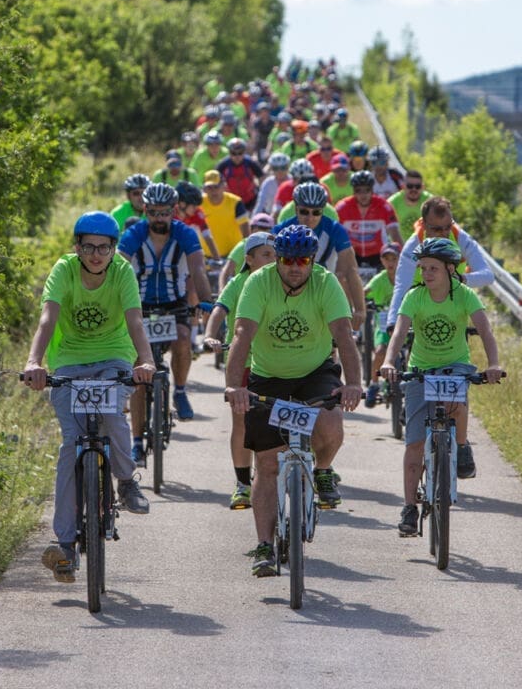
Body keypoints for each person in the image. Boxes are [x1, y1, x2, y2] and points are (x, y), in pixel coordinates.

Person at [22, 211, 156, 582]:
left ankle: (126, 481)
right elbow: (48, 318)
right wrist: (35, 361)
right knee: (71, 446)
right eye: (89, 247)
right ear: (77, 247)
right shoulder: (64, 270)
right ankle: (64, 544)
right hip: (68, 362)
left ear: (114, 249)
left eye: (104, 247)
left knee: (113, 415)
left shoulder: (122, 272)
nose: (96, 254)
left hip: (113, 354)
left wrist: (144, 361)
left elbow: (134, 321)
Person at [224, 224, 363, 577]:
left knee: (330, 423)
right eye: (287, 260)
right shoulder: (259, 283)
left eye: (302, 260)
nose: (295, 267)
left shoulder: (325, 282)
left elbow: (344, 336)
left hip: (314, 373)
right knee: (267, 464)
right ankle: (264, 545)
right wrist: (233, 387)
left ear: (312, 260)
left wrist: (355, 383)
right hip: (268, 377)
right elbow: (242, 336)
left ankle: (323, 469)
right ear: (278, 260)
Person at [379, 238, 503, 534]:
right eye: (422, 268)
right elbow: (399, 333)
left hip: (455, 363)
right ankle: (410, 508)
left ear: (450, 269)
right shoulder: (414, 296)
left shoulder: (464, 295)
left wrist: (494, 364)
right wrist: (388, 361)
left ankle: (461, 447)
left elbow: (484, 331)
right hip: (420, 368)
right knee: (415, 443)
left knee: (455, 404)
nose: (426, 274)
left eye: (433, 268)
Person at [118, 183, 213, 430]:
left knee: (183, 338)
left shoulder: (186, 233)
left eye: (165, 212)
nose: (159, 218)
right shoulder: (134, 234)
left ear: (174, 210)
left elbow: (198, 270)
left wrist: (206, 301)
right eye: (153, 212)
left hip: (175, 302)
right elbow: (116, 270)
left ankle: (180, 391)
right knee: (141, 368)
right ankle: (137, 440)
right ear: (145, 210)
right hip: (140, 305)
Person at [203, 231, 276, 510]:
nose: (273, 260)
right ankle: (243, 484)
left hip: (274, 364)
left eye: (275, 255)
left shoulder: (281, 282)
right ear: (249, 258)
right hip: (243, 363)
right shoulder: (239, 282)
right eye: (266, 255)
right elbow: (219, 310)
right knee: (242, 423)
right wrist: (211, 335)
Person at [385, 195, 496, 336]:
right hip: (420, 298)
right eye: (437, 229)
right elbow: (402, 285)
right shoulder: (414, 244)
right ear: (424, 225)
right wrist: (392, 322)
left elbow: (488, 275)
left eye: (447, 227)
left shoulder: (460, 237)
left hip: (451, 297)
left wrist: (461, 279)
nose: (444, 234)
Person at [276, 183, 366, 332]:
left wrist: (360, 309)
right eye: (304, 211)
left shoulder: (334, 229)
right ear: (296, 209)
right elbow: (268, 267)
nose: (310, 218)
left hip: (323, 274)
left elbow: (350, 269)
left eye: (316, 212)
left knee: (340, 275)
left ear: (323, 211)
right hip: (290, 282)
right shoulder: (282, 229)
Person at [334, 170, 401, 270]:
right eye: (358, 190)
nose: (363, 195)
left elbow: (395, 235)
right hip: (352, 256)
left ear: (372, 190)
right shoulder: (342, 207)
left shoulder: (383, 206)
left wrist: (404, 257)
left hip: (378, 256)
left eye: (367, 190)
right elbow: (333, 236)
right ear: (353, 191)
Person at [362, 242, 401, 408]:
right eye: (387, 259)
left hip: (405, 323)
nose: (391, 263)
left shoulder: (406, 277)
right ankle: (374, 384)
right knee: (379, 351)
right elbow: (364, 292)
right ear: (382, 261)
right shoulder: (379, 279)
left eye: (394, 258)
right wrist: (360, 305)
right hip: (384, 324)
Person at [201, 169, 250, 258]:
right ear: (204, 189)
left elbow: (246, 231)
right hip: (207, 256)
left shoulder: (235, 202)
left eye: (216, 187)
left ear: (224, 186)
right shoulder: (199, 203)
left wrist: (245, 252)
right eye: (209, 187)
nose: (213, 191)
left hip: (232, 256)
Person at [219, 212, 276, 288]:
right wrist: (221, 291)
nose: (263, 232)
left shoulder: (275, 245)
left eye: (266, 229)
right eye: (259, 228)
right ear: (251, 229)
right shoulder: (243, 245)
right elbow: (226, 271)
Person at [175, 180, 220, 258]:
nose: (196, 208)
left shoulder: (197, 213)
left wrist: (217, 259)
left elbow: (207, 237)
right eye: (193, 205)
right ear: (182, 204)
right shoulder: (169, 215)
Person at [216, 137, 264, 211]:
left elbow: (261, 177)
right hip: (230, 201)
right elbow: (215, 180)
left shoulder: (250, 163)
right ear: (229, 153)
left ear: (244, 152)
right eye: (233, 153)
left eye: (240, 153)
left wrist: (261, 193)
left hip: (250, 200)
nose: (237, 156)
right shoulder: (223, 165)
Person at [387, 169, 431, 241]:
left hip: (424, 247)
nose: (414, 189)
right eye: (410, 186)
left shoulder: (430, 202)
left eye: (417, 186)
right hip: (399, 248)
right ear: (403, 186)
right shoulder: (392, 203)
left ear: (423, 187)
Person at [254, 152, 291, 216]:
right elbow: (260, 203)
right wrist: (253, 220)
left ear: (288, 167)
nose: (279, 171)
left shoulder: (292, 181)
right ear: (271, 169)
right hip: (270, 216)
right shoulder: (267, 183)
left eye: (283, 167)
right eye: (276, 168)